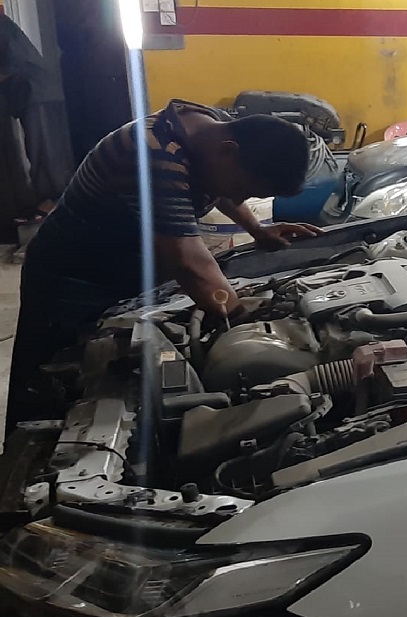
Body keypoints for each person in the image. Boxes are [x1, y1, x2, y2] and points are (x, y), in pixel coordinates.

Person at [5, 98, 320, 433]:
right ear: (227, 151)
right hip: (72, 278)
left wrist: (257, 230)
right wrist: (243, 320)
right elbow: (188, 261)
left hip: (124, 263)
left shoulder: (211, 130)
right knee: (51, 388)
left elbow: (223, 190)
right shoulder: (153, 157)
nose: (241, 198)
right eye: (244, 188)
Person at [0, 13, 75, 221]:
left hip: (39, 94)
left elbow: (13, 63)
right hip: (38, 94)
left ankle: (54, 204)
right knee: (42, 149)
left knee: (45, 150)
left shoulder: (2, 26)